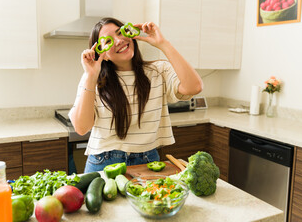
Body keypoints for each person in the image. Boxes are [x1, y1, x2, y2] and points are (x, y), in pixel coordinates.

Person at [69, 17, 203, 173]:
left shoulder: (158, 70)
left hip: (147, 160)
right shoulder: (92, 79)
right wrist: (91, 76)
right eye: (108, 41)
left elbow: (194, 87)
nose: (119, 40)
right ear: (101, 53)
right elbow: (81, 127)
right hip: (103, 162)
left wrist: (163, 44)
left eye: (121, 32)